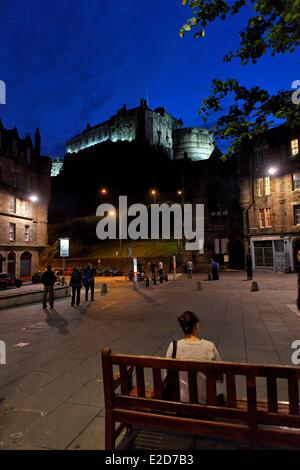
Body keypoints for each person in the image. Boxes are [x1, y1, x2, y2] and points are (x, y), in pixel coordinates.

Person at [166, 311, 222, 403]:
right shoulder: (209, 347)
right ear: (196, 326)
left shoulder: (173, 346)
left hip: (179, 403)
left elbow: (167, 375)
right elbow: (219, 377)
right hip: (205, 405)